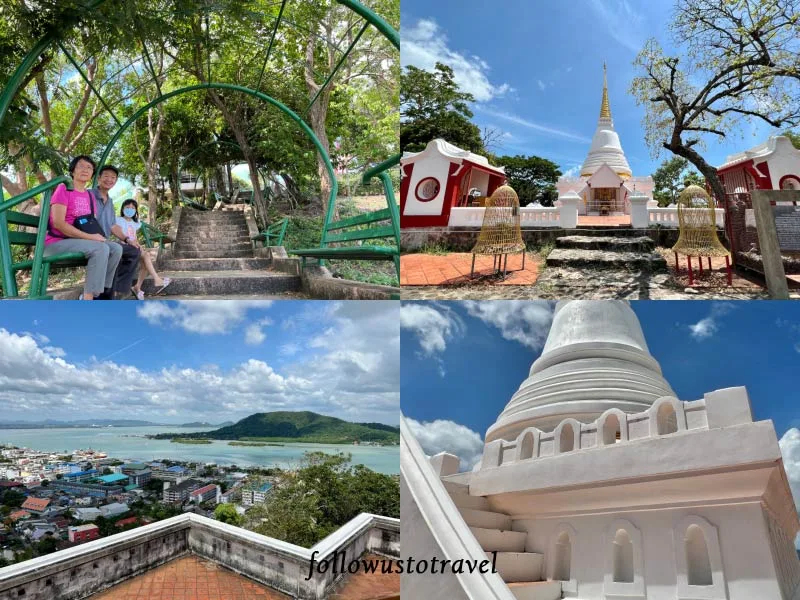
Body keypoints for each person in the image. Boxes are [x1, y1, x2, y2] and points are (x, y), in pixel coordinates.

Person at [43, 155, 122, 300]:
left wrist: (97, 237)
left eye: (89, 167)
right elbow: (58, 224)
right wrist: (92, 238)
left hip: (79, 242)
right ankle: (88, 298)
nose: (85, 169)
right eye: (81, 166)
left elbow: (89, 224)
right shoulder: (63, 188)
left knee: (116, 248)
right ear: (73, 170)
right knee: (100, 248)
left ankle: (101, 292)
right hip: (55, 243)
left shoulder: (89, 196)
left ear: (92, 174)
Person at [91, 165, 140, 298]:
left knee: (134, 251)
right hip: (90, 240)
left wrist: (128, 239)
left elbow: (113, 226)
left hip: (105, 242)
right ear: (99, 178)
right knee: (114, 251)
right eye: (106, 176)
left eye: (113, 177)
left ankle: (118, 289)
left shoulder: (110, 202)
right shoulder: (89, 195)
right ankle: (104, 294)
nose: (109, 180)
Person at [116, 199, 171, 300]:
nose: (130, 210)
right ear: (123, 208)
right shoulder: (118, 220)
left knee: (145, 257)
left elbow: (134, 237)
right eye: (127, 207)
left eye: (132, 208)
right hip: (123, 246)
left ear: (135, 211)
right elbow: (118, 233)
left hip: (133, 246)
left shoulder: (134, 223)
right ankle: (156, 279)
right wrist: (127, 242)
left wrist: (138, 245)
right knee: (146, 256)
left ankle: (137, 287)